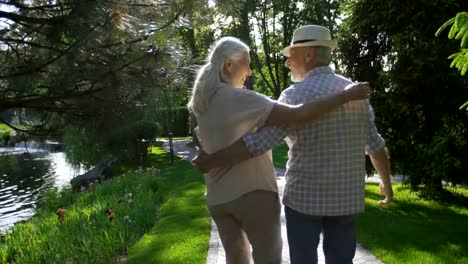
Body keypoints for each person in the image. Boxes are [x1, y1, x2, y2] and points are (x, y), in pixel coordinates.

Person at [193, 25, 394, 264]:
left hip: (303, 200)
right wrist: (386, 182)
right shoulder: (356, 93)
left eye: (290, 56)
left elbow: (257, 143)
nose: (287, 62)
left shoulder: (293, 95)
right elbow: (375, 146)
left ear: (308, 54)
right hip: (346, 199)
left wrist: (213, 161)